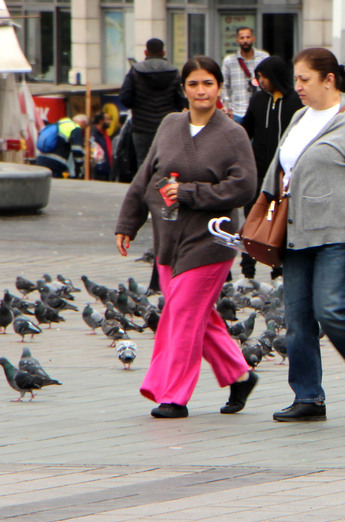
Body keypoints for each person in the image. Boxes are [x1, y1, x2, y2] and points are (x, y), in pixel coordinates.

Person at [114, 56, 259, 419]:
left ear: (219, 88)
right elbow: (146, 176)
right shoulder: (170, 124)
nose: (201, 91)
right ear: (184, 89)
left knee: (180, 315)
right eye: (193, 84)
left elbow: (244, 186)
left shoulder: (233, 134)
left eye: (208, 83)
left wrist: (192, 193)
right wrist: (127, 223)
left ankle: (173, 395)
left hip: (211, 239)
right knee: (196, 315)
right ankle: (239, 374)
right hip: (168, 239)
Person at [264, 47, 345, 422]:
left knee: (330, 308)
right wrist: (261, 206)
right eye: (297, 80)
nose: (298, 87)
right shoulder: (301, 116)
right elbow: (280, 166)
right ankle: (308, 398)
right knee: (298, 319)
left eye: (305, 80)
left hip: (339, 234)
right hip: (296, 232)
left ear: (329, 79)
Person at [240, 55, 302, 280]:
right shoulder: (257, 100)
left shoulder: (296, 102)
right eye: (259, 77)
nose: (261, 81)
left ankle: (279, 267)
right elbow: (246, 128)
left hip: (284, 172)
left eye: (264, 76)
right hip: (257, 168)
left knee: (281, 219)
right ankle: (248, 269)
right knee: (252, 215)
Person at [119, 38, 187, 168]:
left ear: (146, 52)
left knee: (143, 163)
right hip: (167, 127)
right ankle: (162, 188)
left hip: (141, 127)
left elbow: (125, 98)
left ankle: (145, 188)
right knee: (166, 163)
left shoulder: (135, 71)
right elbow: (182, 100)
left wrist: (137, 104)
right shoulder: (173, 72)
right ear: (163, 53)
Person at [222, 27, 270, 123]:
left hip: (259, 110)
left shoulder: (264, 58)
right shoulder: (229, 61)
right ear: (237, 40)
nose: (245, 41)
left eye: (248, 37)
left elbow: (270, 83)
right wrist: (226, 106)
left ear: (253, 39)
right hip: (236, 112)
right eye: (242, 38)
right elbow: (224, 86)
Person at [90, 112, 113, 181]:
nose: (110, 122)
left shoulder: (104, 134)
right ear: (101, 121)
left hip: (106, 169)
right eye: (108, 119)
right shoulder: (93, 134)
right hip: (98, 171)